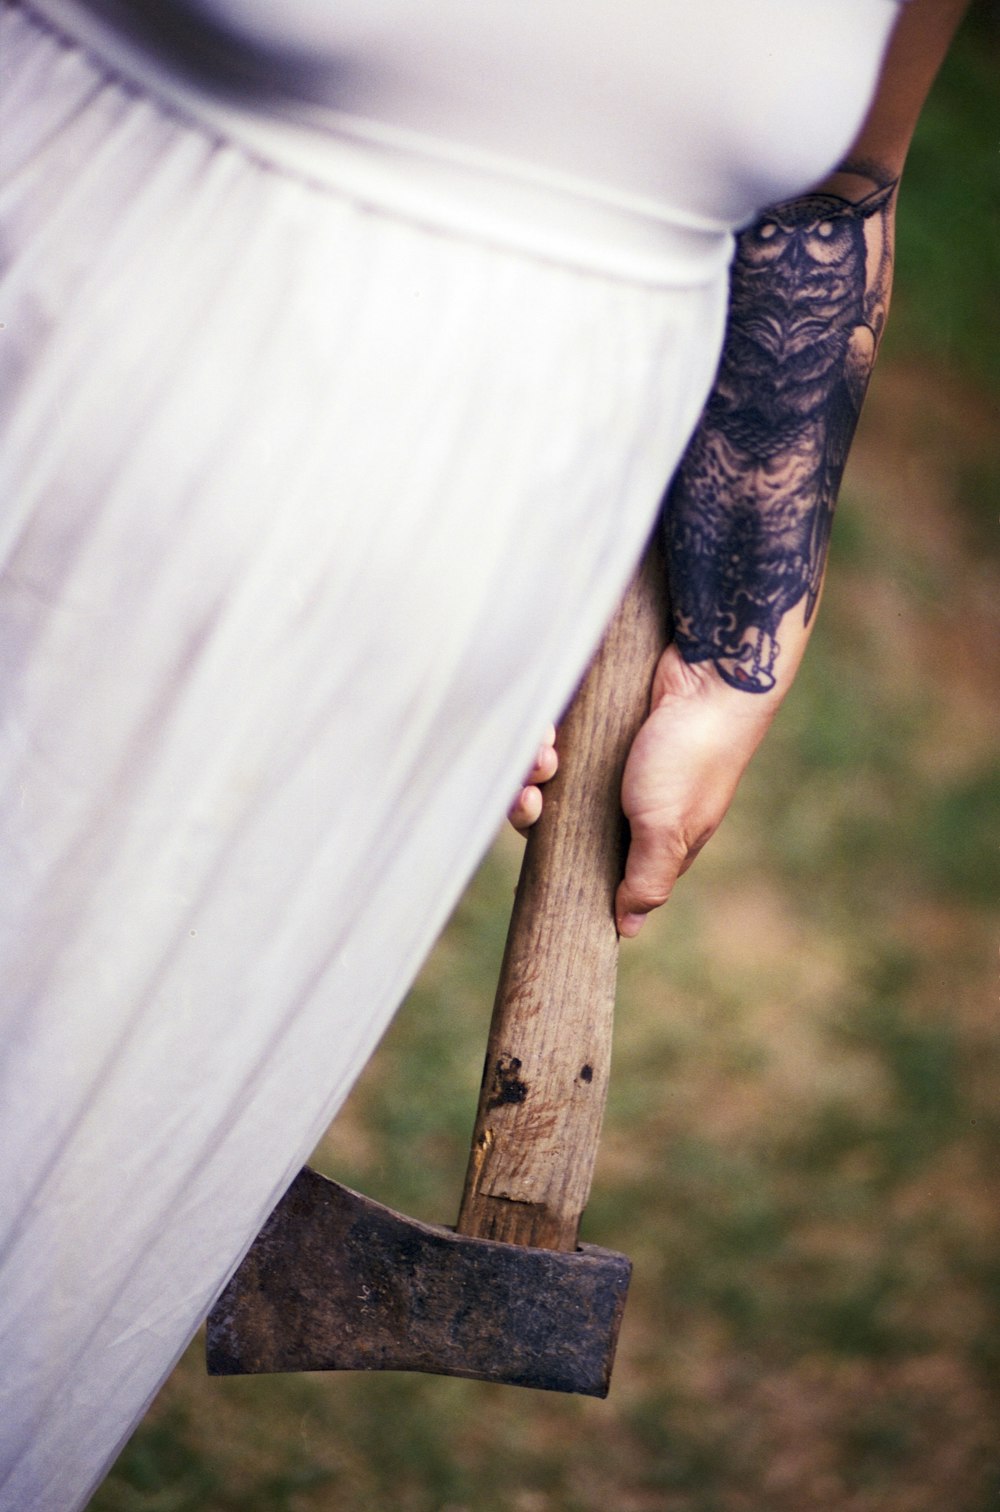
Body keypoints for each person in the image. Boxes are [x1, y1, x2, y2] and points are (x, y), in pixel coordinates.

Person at [0, 1, 968, 1507]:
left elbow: (837, 189)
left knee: (91, 1191)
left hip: (473, 597)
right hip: (76, 353)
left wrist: (732, 648)